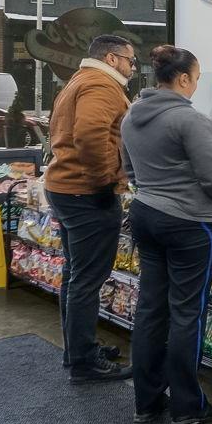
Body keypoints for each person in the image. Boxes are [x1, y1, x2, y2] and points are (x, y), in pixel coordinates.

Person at [121, 45, 212, 424]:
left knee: (151, 309)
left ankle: (146, 401)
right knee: (187, 313)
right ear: (183, 78)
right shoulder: (191, 120)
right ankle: (187, 406)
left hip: (146, 214)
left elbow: (129, 170)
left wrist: (154, 190)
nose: (197, 85)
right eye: (197, 78)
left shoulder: (132, 115)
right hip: (189, 225)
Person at [43, 34, 138, 382]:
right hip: (86, 193)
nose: (131, 67)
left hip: (66, 189)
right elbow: (90, 135)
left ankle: (78, 348)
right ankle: (83, 362)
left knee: (76, 275)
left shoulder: (80, 80)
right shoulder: (100, 85)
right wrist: (108, 180)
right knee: (87, 279)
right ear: (112, 58)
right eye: (129, 60)